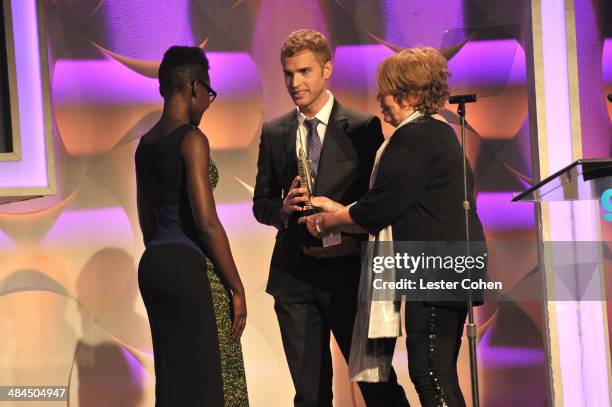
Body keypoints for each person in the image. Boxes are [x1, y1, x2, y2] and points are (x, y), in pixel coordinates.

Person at [300, 47, 486, 407]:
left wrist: (326, 220)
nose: (378, 99)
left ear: (411, 95)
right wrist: (341, 210)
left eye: (385, 90)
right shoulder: (435, 134)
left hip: (436, 272)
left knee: (430, 374)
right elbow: (390, 204)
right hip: (444, 268)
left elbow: (377, 210)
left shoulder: (414, 138)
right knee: (437, 374)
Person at [252, 29, 408, 407]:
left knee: (377, 384)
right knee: (310, 394)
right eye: (288, 74)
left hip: (350, 275)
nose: (295, 82)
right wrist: (283, 209)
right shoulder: (275, 132)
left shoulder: (363, 127)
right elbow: (262, 203)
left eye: (304, 71)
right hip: (296, 278)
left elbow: (377, 202)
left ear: (327, 69)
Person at [135, 46, 249, 406]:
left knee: (173, 379)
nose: (208, 102)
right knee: (213, 379)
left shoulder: (145, 144)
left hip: (154, 265)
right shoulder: (192, 139)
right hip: (190, 269)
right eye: (209, 93)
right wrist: (237, 287)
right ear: (195, 88)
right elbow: (207, 222)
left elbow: (146, 220)